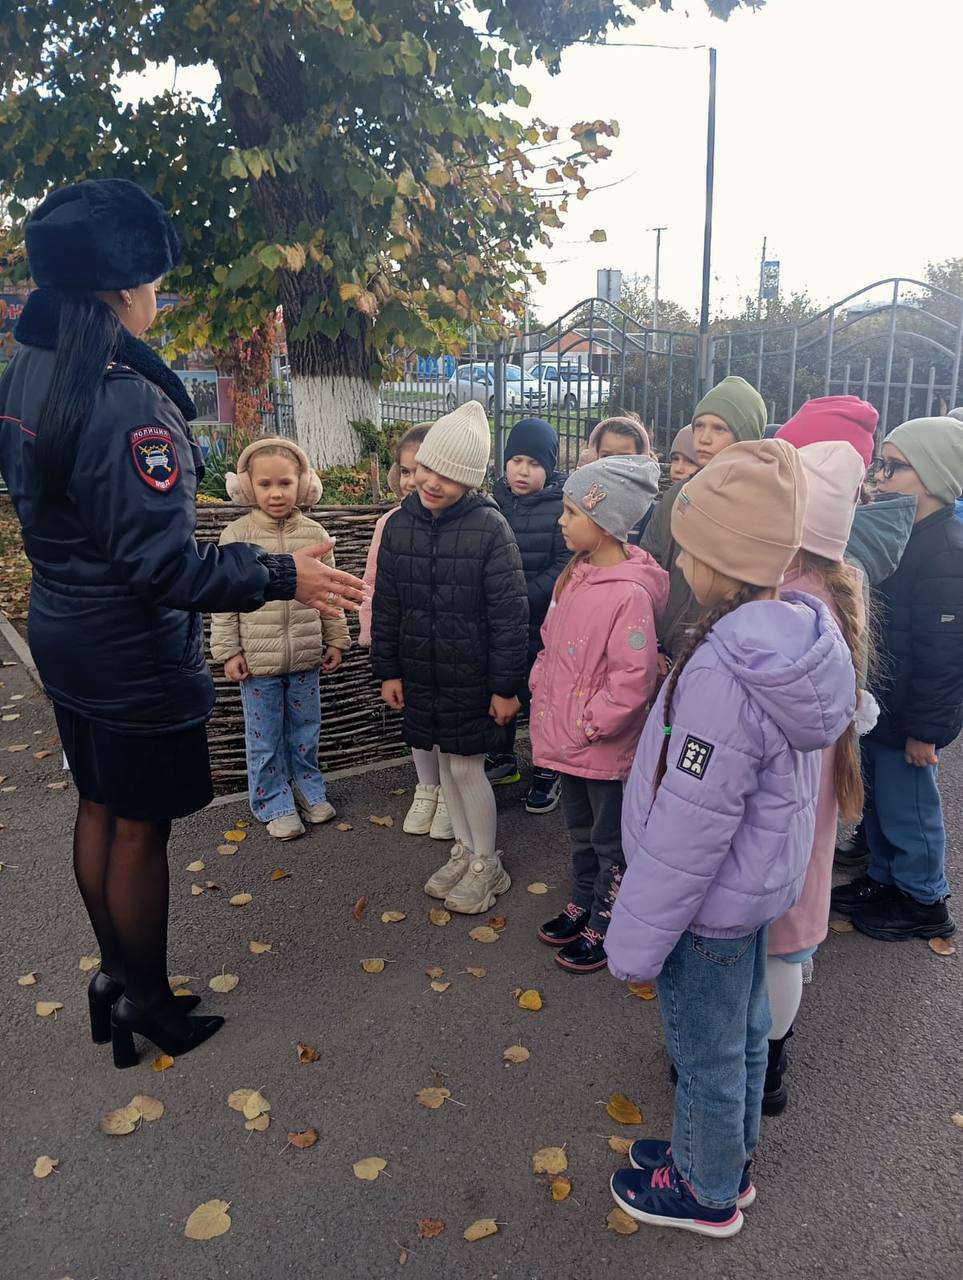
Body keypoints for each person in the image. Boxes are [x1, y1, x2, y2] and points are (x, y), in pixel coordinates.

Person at [0, 180, 367, 1068]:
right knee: (140, 828)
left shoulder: (33, 369)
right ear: (123, 289)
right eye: (154, 282)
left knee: (101, 805)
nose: (158, 298)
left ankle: (116, 980)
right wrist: (282, 571)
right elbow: (163, 567)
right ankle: (148, 1002)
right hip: (127, 646)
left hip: (66, 628)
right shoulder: (126, 401)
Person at [605, 440, 855, 1238]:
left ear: (721, 560)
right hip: (749, 892)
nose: (677, 558)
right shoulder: (780, 640)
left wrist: (635, 938)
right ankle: (724, 1159)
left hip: (706, 906)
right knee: (744, 1037)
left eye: (688, 544)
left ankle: (704, 1191)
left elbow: (690, 820)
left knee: (705, 1051)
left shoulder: (721, 669)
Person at [371, 401, 529, 914]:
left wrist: (506, 687)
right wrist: (388, 669)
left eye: (450, 475)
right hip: (421, 671)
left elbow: (510, 615)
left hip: (471, 675)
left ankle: (487, 862)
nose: (433, 482)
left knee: (465, 769)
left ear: (472, 481)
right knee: (443, 764)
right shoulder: (399, 526)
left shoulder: (490, 528)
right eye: (425, 470)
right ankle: (463, 849)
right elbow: (389, 602)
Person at [529, 455, 668, 972]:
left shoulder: (628, 594)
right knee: (579, 831)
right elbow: (548, 647)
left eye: (570, 512)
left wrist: (591, 724)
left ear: (604, 522)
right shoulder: (576, 578)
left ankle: (608, 919)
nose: (561, 521)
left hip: (601, 747)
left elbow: (632, 677)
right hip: (567, 741)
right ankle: (582, 899)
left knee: (610, 839)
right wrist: (540, 685)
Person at [764, 441, 868, 1114]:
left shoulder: (790, 610)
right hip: (806, 797)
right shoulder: (827, 592)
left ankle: (764, 1064)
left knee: (777, 937)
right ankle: (766, 1049)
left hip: (782, 802)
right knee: (792, 930)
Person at [831, 417, 963, 942]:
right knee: (882, 801)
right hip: (884, 705)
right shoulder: (901, 534)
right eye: (880, 465)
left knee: (911, 808)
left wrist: (925, 730)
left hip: (911, 716)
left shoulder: (945, 551)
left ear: (932, 475)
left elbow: (944, 655)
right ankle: (885, 878)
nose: (880, 477)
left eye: (895, 466)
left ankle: (923, 898)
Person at [210, 438, 350, 840]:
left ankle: (308, 789)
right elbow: (224, 599)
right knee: (265, 737)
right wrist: (229, 651)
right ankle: (273, 801)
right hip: (258, 663)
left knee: (306, 730)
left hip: (306, 657)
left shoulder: (316, 533)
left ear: (303, 484)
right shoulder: (236, 535)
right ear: (246, 486)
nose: (276, 492)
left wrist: (336, 640)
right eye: (266, 483)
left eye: (285, 483)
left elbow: (332, 592)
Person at [359, 423, 453, 841]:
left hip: (449, 646)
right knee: (416, 720)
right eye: (405, 469)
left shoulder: (461, 523)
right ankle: (428, 787)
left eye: (422, 469)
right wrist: (375, 638)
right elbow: (373, 584)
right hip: (408, 641)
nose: (412, 479)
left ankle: (452, 793)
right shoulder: (390, 523)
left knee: (449, 721)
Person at [642, 376, 767, 662]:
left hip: (730, 654)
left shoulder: (762, 504)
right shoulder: (677, 497)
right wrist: (651, 641)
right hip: (670, 648)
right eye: (699, 426)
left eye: (719, 428)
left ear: (745, 435)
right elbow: (650, 566)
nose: (704, 438)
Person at [486, 418, 569, 812]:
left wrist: (523, 596)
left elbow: (563, 563)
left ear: (548, 469)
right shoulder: (491, 503)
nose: (523, 470)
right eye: (516, 460)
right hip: (498, 624)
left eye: (534, 463)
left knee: (541, 698)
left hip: (541, 624)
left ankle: (547, 770)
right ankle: (502, 758)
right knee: (499, 687)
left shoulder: (560, 508)